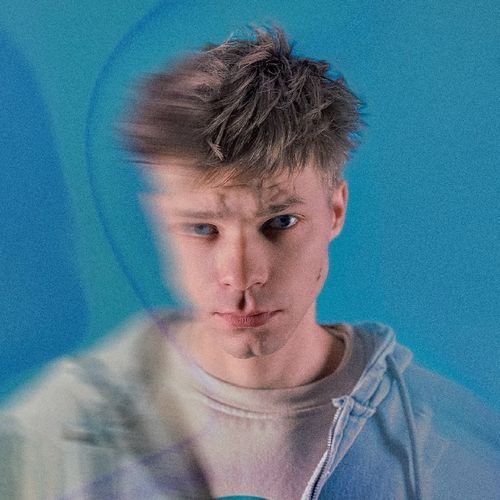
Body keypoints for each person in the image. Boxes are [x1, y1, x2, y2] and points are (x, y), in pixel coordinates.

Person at [0, 27, 498, 500]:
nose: (240, 276)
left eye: (279, 222)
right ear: (159, 221)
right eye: (202, 228)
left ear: (335, 210)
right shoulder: (49, 439)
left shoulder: (454, 454)